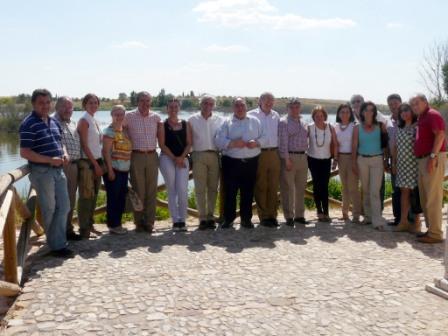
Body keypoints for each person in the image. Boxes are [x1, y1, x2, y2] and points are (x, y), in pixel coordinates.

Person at [19, 89, 73, 257]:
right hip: (42, 172)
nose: (45, 106)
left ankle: (57, 241)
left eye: (48, 102)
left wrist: (64, 153)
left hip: (58, 170)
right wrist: (50, 160)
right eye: (41, 103)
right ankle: (57, 246)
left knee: (64, 206)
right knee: (49, 209)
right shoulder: (28, 123)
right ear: (33, 104)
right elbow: (25, 152)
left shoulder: (53, 121)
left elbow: (60, 143)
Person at [215, 97, 262, 229]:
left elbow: (265, 137)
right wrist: (233, 143)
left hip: (251, 162)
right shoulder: (226, 122)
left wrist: (257, 143)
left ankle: (246, 219)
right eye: (237, 105)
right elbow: (218, 141)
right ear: (233, 108)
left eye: (242, 105)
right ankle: (228, 219)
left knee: (248, 192)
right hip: (231, 163)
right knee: (230, 192)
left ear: (246, 107)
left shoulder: (255, 121)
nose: (240, 108)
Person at [411, 94, 446, 244]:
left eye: (417, 103)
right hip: (423, 159)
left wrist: (432, 156)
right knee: (425, 197)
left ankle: (436, 233)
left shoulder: (432, 114)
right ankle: (431, 229)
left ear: (425, 102)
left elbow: (441, 135)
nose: (415, 106)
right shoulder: (422, 117)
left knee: (432, 197)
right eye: (412, 104)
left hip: (432, 158)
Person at [124, 91, 160, 234]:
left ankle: (150, 222)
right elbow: (119, 131)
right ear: (137, 102)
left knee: (152, 191)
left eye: (148, 101)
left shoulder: (156, 117)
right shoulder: (129, 116)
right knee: (138, 191)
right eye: (142, 100)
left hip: (152, 155)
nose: (145, 103)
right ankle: (139, 222)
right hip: (136, 156)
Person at [188, 95, 224, 230]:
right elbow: (188, 140)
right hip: (198, 155)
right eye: (205, 103)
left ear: (214, 105)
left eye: (210, 103)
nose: (208, 105)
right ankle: (202, 217)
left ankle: (211, 216)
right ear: (200, 104)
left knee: (213, 188)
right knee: (200, 189)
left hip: (215, 155)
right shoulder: (192, 119)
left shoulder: (220, 120)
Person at [352, 101, 388, 230]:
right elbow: (354, 146)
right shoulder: (357, 128)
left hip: (377, 160)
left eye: (372, 110)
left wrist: (386, 161)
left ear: (375, 112)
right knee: (365, 190)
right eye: (366, 110)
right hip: (362, 160)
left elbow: (385, 146)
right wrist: (353, 164)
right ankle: (367, 217)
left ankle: (377, 221)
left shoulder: (380, 126)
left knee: (374, 191)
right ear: (362, 112)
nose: (369, 112)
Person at [158, 98, 192, 231]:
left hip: (183, 159)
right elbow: (162, 144)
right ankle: (175, 220)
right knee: (171, 188)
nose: (173, 109)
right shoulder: (162, 124)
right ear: (167, 109)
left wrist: (181, 157)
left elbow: (189, 143)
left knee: (183, 189)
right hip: (167, 158)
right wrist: (174, 158)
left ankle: (183, 219)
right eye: (170, 107)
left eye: (175, 107)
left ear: (179, 108)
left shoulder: (186, 123)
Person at [249, 92, 281, 227]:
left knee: (274, 186)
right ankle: (263, 216)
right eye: (266, 100)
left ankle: (272, 215)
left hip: (274, 153)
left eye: (271, 100)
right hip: (259, 153)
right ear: (260, 101)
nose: (269, 102)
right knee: (261, 185)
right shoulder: (251, 115)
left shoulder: (276, 115)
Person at [54, 96, 82, 241]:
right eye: (64, 106)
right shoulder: (52, 123)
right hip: (61, 167)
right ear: (56, 107)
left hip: (75, 166)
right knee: (61, 202)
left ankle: (68, 230)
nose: (67, 110)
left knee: (71, 199)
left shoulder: (73, 123)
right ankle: (58, 233)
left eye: (70, 107)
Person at [391, 103, 421, 233]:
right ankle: (404, 222)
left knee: (416, 193)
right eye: (402, 111)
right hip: (403, 165)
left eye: (407, 110)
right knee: (404, 193)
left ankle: (417, 223)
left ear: (412, 112)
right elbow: (396, 148)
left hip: (414, 165)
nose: (404, 113)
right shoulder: (399, 127)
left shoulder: (418, 126)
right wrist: (394, 163)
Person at [278, 98, 309, 227]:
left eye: (297, 107)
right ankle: (289, 216)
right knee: (288, 188)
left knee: (301, 188)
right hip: (290, 156)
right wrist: (286, 159)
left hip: (303, 157)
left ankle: (299, 215)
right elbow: (283, 142)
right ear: (288, 108)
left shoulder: (304, 122)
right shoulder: (284, 122)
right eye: (292, 107)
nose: (295, 109)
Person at [102, 105, 132, 235]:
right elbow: (106, 152)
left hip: (124, 170)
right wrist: (110, 170)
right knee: (113, 198)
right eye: (116, 114)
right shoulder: (109, 131)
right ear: (112, 115)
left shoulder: (123, 130)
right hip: (114, 169)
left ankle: (117, 224)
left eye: (121, 114)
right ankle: (113, 225)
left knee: (120, 198)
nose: (119, 117)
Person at [77, 93, 104, 239]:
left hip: (97, 161)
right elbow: (84, 146)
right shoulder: (84, 120)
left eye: (95, 102)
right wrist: (95, 164)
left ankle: (90, 224)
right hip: (88, 163)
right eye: (90, 103)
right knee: (86, 196)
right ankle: (83, 229)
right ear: (84, 105)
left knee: (93, 196)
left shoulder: (94, 120)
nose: (93, 105)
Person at [307, 106, 338, 222]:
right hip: (313, 160)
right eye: (316, 116)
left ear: (324, 116)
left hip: (326, 160)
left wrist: (335, 159)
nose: (319, 118)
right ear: (313, 117)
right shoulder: (309, 127)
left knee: (324, 186)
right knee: (316, 185)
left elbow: (335, 143)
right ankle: (319, 210)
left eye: (321, 115)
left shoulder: (330, 127)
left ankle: (326, 212)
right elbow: (303, 142)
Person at [334, 103, 361, 223]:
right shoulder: (335, 127)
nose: (345, 114)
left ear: (350, 114)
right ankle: (344, 213)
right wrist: (334, 159)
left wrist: (355, 160)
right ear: (338, 114)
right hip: (341, 158)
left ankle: (356, 215)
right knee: (344, 187)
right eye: (342, 112)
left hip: (353, 158)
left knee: (353, 187)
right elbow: (335, 145)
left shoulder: (355, 126)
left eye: (347, 112)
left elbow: (358, 144)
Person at [385, 94, 403, 226]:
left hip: (408, 160)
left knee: (409, 189)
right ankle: (398, 218)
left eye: (395, 103)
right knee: (396, 190)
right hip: (393, 160)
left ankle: (411, 218)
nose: (393, 106)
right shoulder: (388, 122)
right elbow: (386, 143)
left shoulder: (408, 119)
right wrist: (386, 161)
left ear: (401, 103)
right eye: (390, 104)